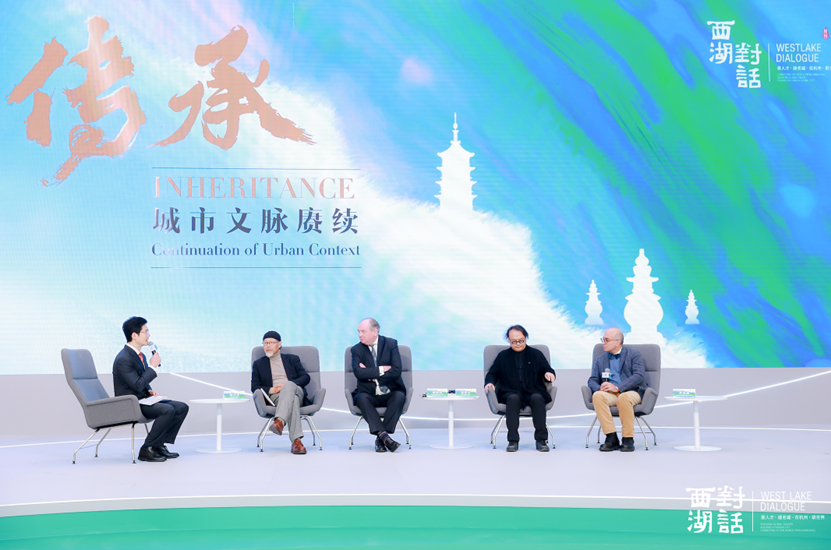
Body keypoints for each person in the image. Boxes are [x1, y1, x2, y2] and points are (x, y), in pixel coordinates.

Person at [112, 316, 189, 462]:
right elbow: (136, 385)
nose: (149, 335)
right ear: (134, 335)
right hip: (130, 403)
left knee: (181, 407)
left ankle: (158, 445)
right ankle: (146, 448)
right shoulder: (124, 358)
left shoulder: (138, 355)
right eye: (145, 331)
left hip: (142, 399)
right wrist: (152, 367)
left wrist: (148, 390)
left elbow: (139, 382)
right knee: (167, 410)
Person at [485, 325, 556, 452]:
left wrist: (549, 373)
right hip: (510, 391)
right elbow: (492, 373)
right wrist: (489, 382)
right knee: (513, 399)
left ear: (526, 338)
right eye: (514, 341)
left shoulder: (536, 354)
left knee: (538, 398)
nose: (518, 344)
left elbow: (547, 369)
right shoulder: (502, 356)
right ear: (508, 340)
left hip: (533, 390)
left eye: (521, 341)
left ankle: (541, 440)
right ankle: (513, 441)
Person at [587, 328, 648, 452]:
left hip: (631, 392)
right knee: (598, 395)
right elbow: (592, 380)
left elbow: (638, 376)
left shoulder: (633, 354)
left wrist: (618, 387)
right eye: (603, 339)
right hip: (611, 395)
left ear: (617, 342)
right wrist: (600, 388)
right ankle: (611, 438)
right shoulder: (601, 359)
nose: (603, 342)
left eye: (606, 340)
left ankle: (628, 439)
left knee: (624, 397)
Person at [350, 318, 406, 452]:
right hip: (368, 393)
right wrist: (382, 369)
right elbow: (359, 373)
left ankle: (381, 438)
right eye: (358, 332)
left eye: (363, 331)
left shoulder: (391, 344)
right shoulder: (356, 349)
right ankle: (385, 437)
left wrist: (370, 374)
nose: (360, 335)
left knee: (399, 396)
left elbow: (396, 371)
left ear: (375, 332)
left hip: (389, 392)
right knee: (361, 398)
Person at [250, 331, 309, 455]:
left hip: (296, 390)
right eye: (265, 343)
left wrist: (288, 384)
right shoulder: (259, 364)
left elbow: (305, 377)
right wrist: (270, 390)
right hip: (276, 396)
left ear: (280, 344)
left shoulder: (292, 359)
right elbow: (254, 387)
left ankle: (280, 421)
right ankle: (297, 442)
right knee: (293, 400)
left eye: (271, 343)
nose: (268, 345)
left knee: (289, 386)